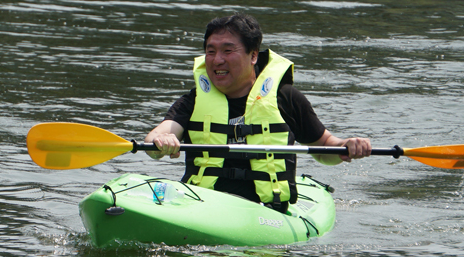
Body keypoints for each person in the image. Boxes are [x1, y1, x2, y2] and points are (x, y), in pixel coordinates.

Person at [145, 13, 371, 212]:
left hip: (265, 213)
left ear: (253, 56)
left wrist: (346, 146)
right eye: (210, 51)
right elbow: (156, 137)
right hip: (204, 206)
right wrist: (161, 141)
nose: (217, 60)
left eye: (227, 50)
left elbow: (323, 147)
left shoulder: (286, 98)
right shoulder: (194, 100)